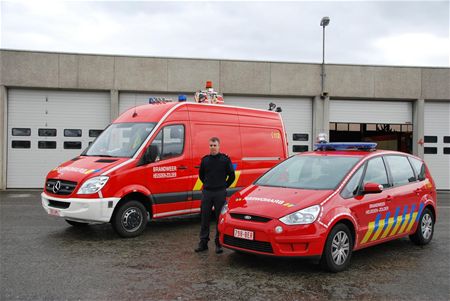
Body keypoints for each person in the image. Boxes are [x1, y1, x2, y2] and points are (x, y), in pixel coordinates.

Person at [195, 137, 235, 254]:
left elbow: (231, 176)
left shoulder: (225, 160)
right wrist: (208, 185)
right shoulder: (205, 160)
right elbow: (201, 176)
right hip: (207, 192)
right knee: (204, 218)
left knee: (219, 219)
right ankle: (203, 243)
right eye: (211, 145)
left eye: (214, 145)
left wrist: (224, 186)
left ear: (219, 146)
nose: (212, 147)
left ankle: (218, 243)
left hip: (220, 192)